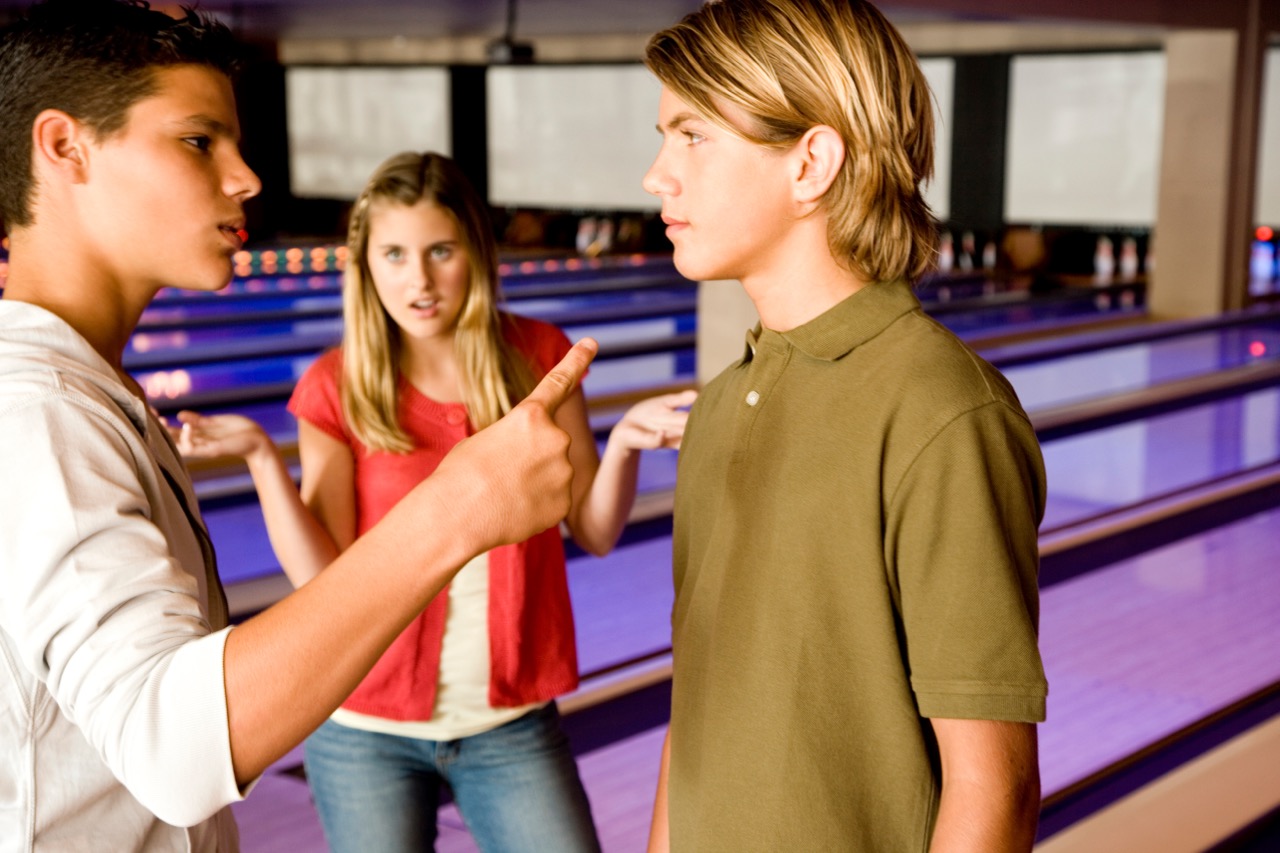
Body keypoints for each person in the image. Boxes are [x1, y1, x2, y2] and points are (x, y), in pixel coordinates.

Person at [0, 2, 596, 850]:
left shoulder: (81, 391)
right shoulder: (40, 413)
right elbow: (177, 747)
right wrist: (457, 504)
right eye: (200, 142)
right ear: (66, 148)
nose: (246, 178)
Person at [176, 150, 694, 852]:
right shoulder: (339, 385)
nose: (417, 279)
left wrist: (627, 441)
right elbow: (320, 579)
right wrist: (264, 459)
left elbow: (596, 532)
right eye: (394, 254)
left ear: (474, 251)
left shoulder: (540, 357)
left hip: (510, 722)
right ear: (367, 264)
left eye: (440, 250)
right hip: (364, 730)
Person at [640, 1, 1048, 851]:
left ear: (810, 163)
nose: (657, 175)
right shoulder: (719, 406)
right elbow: (697, 711)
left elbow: (992, 787)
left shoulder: (941, 411)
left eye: (692, 136)